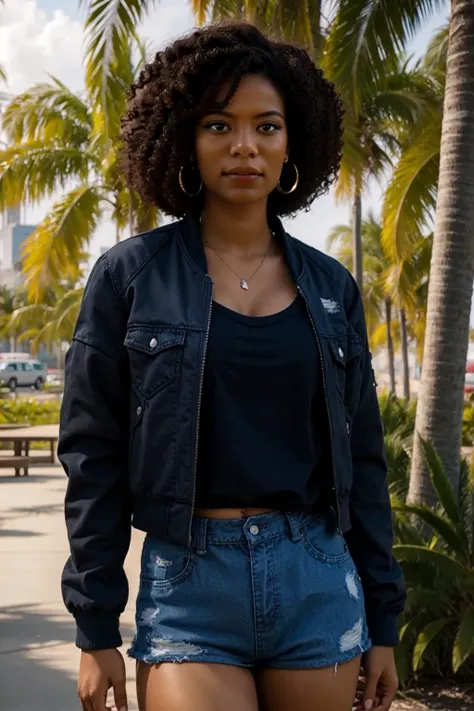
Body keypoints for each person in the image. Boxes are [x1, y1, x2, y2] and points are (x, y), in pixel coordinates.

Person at [59, 21, 406, 711]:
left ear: (290, 146)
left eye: (266, 126)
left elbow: (364, 461)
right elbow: (92, 453)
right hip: (191, 580)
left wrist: (385, 621)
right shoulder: (129, 278)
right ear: (186, 139)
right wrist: (94, 624)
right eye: (219, 124)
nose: (244, 145)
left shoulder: (333, 289)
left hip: (315, 575)